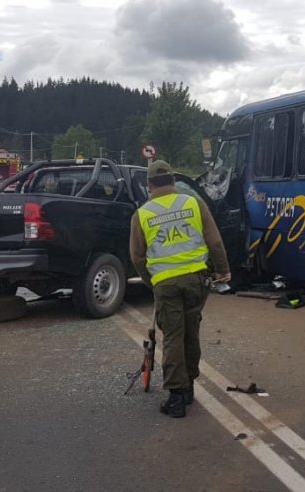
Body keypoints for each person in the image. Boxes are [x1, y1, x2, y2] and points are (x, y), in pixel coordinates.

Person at [129, 160, 231, 418]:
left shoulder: (142, 214)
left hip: (166, 283)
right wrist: (223, 269)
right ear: (173, 182)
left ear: (149, 184)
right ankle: (189, 387)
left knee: (173, 335)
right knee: (190, 331)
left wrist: (151, 281)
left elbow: (137, 257)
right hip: (196, 280)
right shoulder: (193, 203)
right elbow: (214, 240)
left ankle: (176, 397)